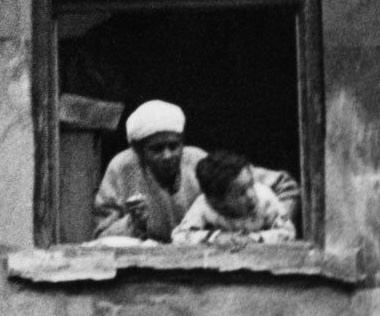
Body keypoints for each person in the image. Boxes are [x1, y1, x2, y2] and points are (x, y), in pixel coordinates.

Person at [90, 99, 300, 243]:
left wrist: (269, 229)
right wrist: (133, 222)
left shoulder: (197, 160)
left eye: (174, 146)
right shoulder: (122, 168)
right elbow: (101, 236)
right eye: (156, 149)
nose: (167, 155)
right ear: (138, 150)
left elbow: (285, 186)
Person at [174, 150, 297, 244]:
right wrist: (216, 237)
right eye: (240, 193)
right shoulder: (204, 205)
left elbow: (288, 232)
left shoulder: (265, 198)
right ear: (216, 202)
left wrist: (254, 238)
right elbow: (179, 236)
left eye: (251, 185)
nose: (251, 195)